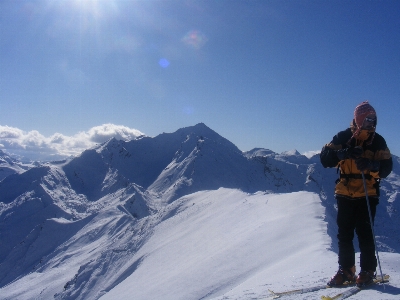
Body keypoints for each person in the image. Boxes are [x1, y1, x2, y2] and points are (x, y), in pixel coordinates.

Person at [320, 101, 392, 287]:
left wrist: (371, 165)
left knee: (365, 234)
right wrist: (343, 153)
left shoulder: (378, 141)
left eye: (374, 119)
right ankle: (347, 270)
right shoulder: (344, 137)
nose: (372, 122)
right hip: (344, 192)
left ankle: (367, 270)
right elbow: (325, 158)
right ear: (359, 118)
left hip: (367, 193)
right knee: (344, 234)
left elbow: (386, 168)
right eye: (368, 119)